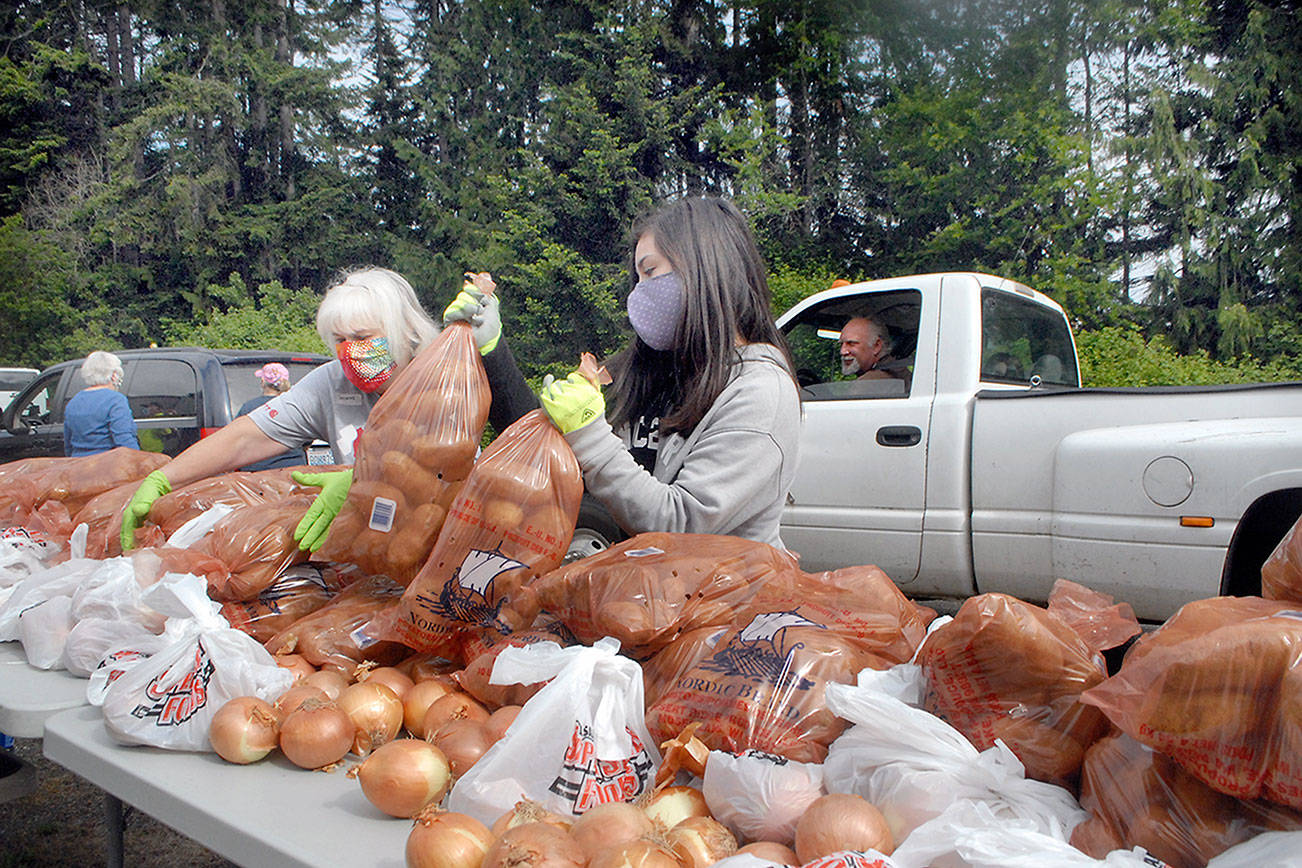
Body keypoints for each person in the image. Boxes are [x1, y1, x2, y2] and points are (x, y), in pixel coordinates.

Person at [446, 196, 802, 549]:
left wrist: (590, 436)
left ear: (706, 268)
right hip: (641, 597)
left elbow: (681, 522)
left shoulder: (759, 392)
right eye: (637, 278)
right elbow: (540, 452)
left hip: (721, 601)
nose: (638, 293)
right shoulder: (642, 374)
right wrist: (489, 349)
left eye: (650, 271)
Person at [119, 267, 440, 552]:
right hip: (369, 545)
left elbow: (453, 467)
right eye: (340, 339)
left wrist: (363, 482)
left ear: (403, 331)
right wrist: (166, 477)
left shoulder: (441, 378)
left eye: (362, 337)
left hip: (437, 539)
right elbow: (248, 436)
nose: (350, 351)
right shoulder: (332, 383)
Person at [63, 351, 139, 456]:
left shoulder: (73, 402)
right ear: (114, 376)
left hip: (77, 465)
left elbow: (68, 445)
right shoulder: (116, 400)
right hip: (107, 466)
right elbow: (124, 441)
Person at [235, 363, 302, 471]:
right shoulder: (293, 405)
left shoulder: (249, 407)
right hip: (292, 470)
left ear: (263, 382)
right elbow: (306, 440)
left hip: (258, 471)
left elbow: (239, 438)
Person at [839, 315, 911, 390]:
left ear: (877, 346)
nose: (842, 351)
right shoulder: (902, 374)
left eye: (851, 343)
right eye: (841, 344)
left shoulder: (867, 384)